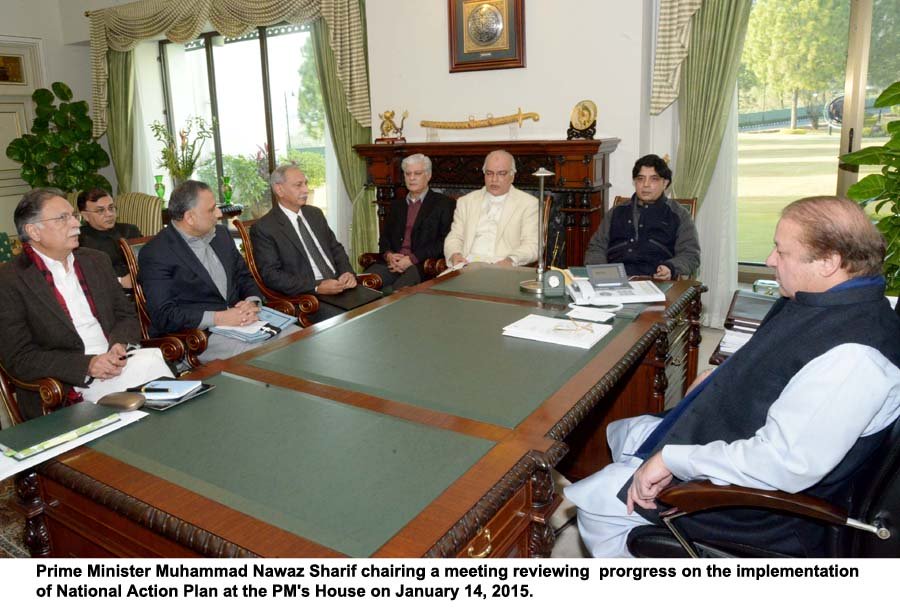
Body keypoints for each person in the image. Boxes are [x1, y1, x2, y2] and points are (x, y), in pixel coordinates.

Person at [566, 195, 900, 557]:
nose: (770, 260)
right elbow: (783, 357)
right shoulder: (828, 300)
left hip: (765, 511)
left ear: (829, 262)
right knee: (628, 433)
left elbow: (782, 465)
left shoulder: (854, 359)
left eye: (781, 251)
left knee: (597, 502)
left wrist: (672, 460)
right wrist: (718, 374)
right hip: (755, 448)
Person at [0, 189, 171, 420]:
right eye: (63, 218)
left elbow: (126, 314)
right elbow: (20, 358)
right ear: (33, 231)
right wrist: (87, 365)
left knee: (155, 374)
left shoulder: (95, 260)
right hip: (67, 384)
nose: (75, 224)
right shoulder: (10, 280)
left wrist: (120, 344)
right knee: (156, 397)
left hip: (118, 362)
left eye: (73, 216)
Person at [139, 180, 295, 363]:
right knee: (265, 357)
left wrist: (251, 302)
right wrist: (219, 318)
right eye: (211, 210)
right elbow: (164, 314)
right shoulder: (156, 253)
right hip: (199, 336)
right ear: (189, 217)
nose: (219, 214)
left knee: (298, 337)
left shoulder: (221, 235)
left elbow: (244, 276)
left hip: (245, 323)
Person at [250, 164, 360, 323]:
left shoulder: (314, 214)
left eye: (306, 184)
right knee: (350, 321)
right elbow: (272, 275)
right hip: (308, 297)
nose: (305, 190)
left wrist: (346, 272)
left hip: (340, 286)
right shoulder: (265, 228)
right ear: (279, 189)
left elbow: (335, 248)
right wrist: (316, 286)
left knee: (377, 306)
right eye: (298, 185)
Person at [585, 154, 700, 280]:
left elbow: (690, 255)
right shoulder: (616, 212)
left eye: (654, 179)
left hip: (656, 281)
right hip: (614, 281)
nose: (646, 184)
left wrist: (670, 268)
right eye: (640, 179)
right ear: (635, 182)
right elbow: (596, 247)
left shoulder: (679, 214)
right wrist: (602, 272)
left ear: (665, 183)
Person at [364, 153, 455, 289]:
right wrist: (389, 255)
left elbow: (445, 241)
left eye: (417, 173)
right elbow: (384, 238)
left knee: (399, 293)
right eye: (408, 174)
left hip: (421, 265)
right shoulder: (396, 205)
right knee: (365, 284)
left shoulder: (443, 204)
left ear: (428, 175)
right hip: (393, 264)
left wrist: (412, 259)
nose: (411, 178)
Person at [444, 150, 539, 267]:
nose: (494, 179)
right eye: (489, 173)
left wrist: (511, 260)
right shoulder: (466, 202)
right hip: (467, 265)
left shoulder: (528, 204)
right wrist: (455, 255)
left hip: (504, 268)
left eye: (501, 173)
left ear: (512, 176)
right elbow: (455, 236)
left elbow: (533, 245)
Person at [76, 188, 141, 289]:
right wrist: (120, 281)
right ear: (85, 216)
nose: (109, 214)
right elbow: (83, 275)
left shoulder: (130, 231)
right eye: (100, 210)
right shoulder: (79, 240)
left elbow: (148, 259)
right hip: (106, 294)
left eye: (111, 208)